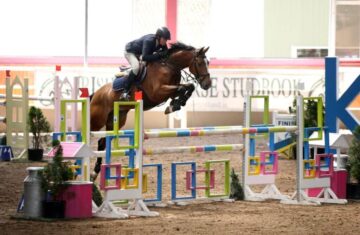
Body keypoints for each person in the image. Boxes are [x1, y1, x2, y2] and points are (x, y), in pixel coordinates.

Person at [121, 26, 171, 99]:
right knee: (136, 67)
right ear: (158, 37)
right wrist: (159, 55)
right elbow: (145, 57)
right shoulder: (149, 41)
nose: (165, 41)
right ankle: (125, 91)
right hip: (130, 52)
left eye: (166, 39)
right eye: (164, 39)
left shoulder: (162, 43)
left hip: (140, 54)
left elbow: (166, 54)